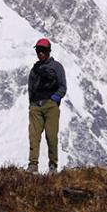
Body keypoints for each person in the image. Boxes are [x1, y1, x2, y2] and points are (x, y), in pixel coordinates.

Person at [27, 38, 67, 174]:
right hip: (36, 106)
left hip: (51, 106)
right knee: (34, 136)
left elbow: (63, 86)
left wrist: (54, 99)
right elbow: (30, 87)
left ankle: (53, 166)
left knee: (51, 136)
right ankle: (33, 165)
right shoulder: (35, 69)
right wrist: (31, 104)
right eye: (38, 50)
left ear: (48, 51)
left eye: (43, 50)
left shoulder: (57, 67)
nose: (40, 53)